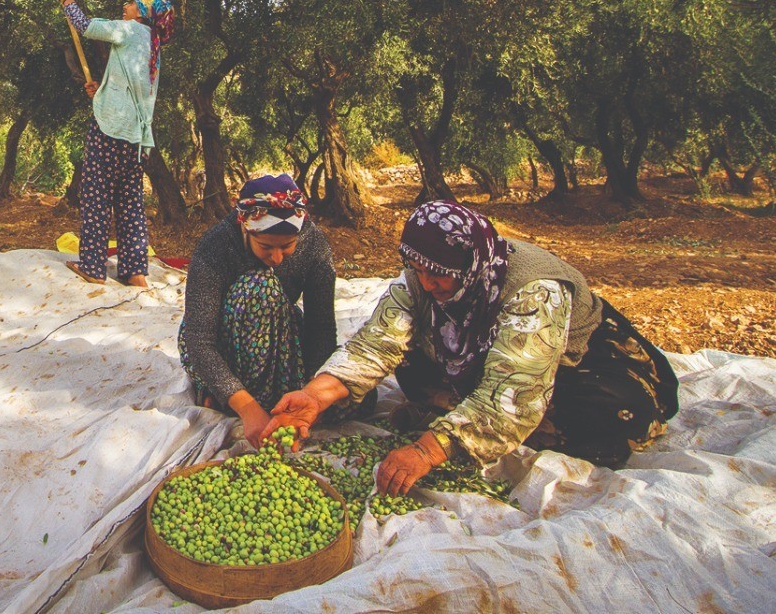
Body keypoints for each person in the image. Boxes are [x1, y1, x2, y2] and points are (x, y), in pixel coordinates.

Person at [259, 200, 678, 495]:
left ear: (471, 265)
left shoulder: (534, 290)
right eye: (418, 270)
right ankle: (467, 420)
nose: (427, 283)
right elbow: (374, 346)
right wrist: (314, 397)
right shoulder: (421, 279)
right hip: (486, 360)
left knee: (608, 419)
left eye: (440, 274)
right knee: (411, 365)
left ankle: (469, 424)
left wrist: (427, 450)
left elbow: (515, 391)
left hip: (579, 363)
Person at [178, 174, 347, 443]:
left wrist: (312, 394)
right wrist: (246, 407)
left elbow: (321, 326)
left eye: (287, 246)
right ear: (246, 228)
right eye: (266, 247)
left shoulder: (314, 245)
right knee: (260, 285)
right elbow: (199, 339)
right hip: (223, 345)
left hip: (276, 331)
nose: (277, 258)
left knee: (352, 397)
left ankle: (258, 398)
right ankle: (230, 394)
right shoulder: (216, 246)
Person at [51, 0, 175, 288]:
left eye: (132, 3)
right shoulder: (154, 47)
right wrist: (102, 91)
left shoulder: (131, 30)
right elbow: (130, 85)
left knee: (96, 196)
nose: (125, 6)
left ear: (142, 13)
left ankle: (92, 267)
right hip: (136, 139)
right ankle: (135, 272)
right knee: (129, 202)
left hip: (109, 131)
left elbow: (86, 26)